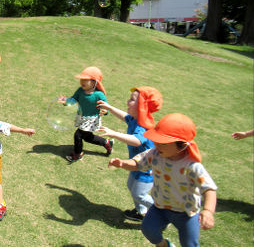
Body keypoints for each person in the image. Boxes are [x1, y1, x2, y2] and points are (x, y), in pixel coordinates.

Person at [108, 113, 217, 247]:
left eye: (162, 142)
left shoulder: (192, 166)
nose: (156, 143)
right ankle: (164, 245)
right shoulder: (155, 153)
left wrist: (208, 211)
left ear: (181, 146)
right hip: (160, 207)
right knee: (148, 229)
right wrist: (123, 163)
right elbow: (138, 163)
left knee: (189, 244)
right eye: (156, 139)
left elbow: (209, 189)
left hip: (187, 214)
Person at [97, 86, 163, 221]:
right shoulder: (135, 119)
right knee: (131, 187)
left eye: (132, 100)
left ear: (142, 106)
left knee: (140, 195)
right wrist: (109, 107)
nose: (127, 102)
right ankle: (141, 212)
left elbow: (137, 141)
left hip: (147, 169)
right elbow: (124, 116)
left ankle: (163, 214)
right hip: (135, 164)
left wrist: (115, 134)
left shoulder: (144, 125)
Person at [59, 66, 113, 162]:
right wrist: (66, 102)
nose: (82, 82)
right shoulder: (80, 91)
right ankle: (106, 143)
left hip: (91, 119)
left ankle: (77, 154)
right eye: (81, 79)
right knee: (87, 137)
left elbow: (106, 106)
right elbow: (73, 99)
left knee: (78, 135)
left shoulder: (99, 94)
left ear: (94, 82)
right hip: (82, 117)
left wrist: (106, 111)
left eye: (85, 80)